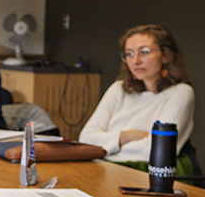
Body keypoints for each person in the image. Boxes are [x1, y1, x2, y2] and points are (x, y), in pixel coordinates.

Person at [78, 25, 195, 170]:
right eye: (129, 54)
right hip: (104, 169)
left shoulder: (181, 93)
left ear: (166, 55)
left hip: (148, 173)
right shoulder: (118, 89)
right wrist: (128, 135)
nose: (135, 60)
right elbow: (85, 139)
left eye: (144, 52)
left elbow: (156, 151)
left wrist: (106, 147)